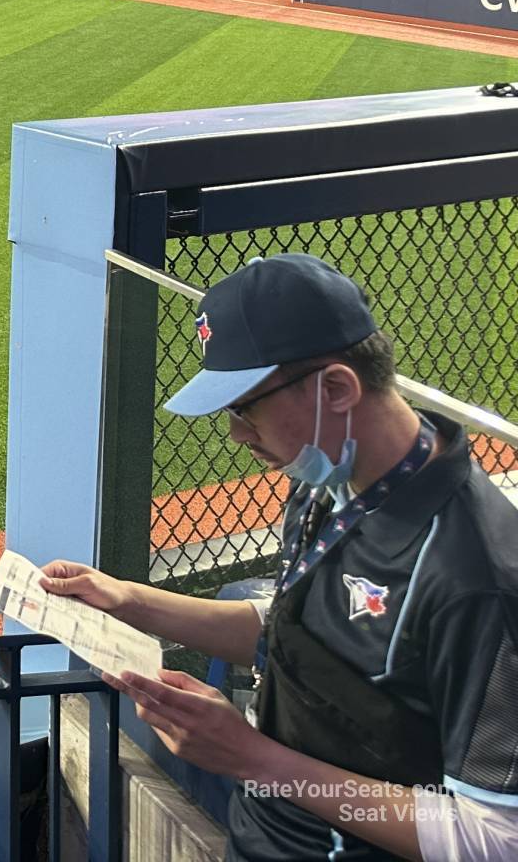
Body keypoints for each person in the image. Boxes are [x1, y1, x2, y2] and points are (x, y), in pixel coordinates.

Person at [42, 254, 518, 862]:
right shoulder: (327, 474)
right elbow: (299, 631)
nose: (238, 433)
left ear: (338, 388)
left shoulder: (477, 575)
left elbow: (496, 838)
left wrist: (250, 756)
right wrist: (130, 600)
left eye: (246, 406)